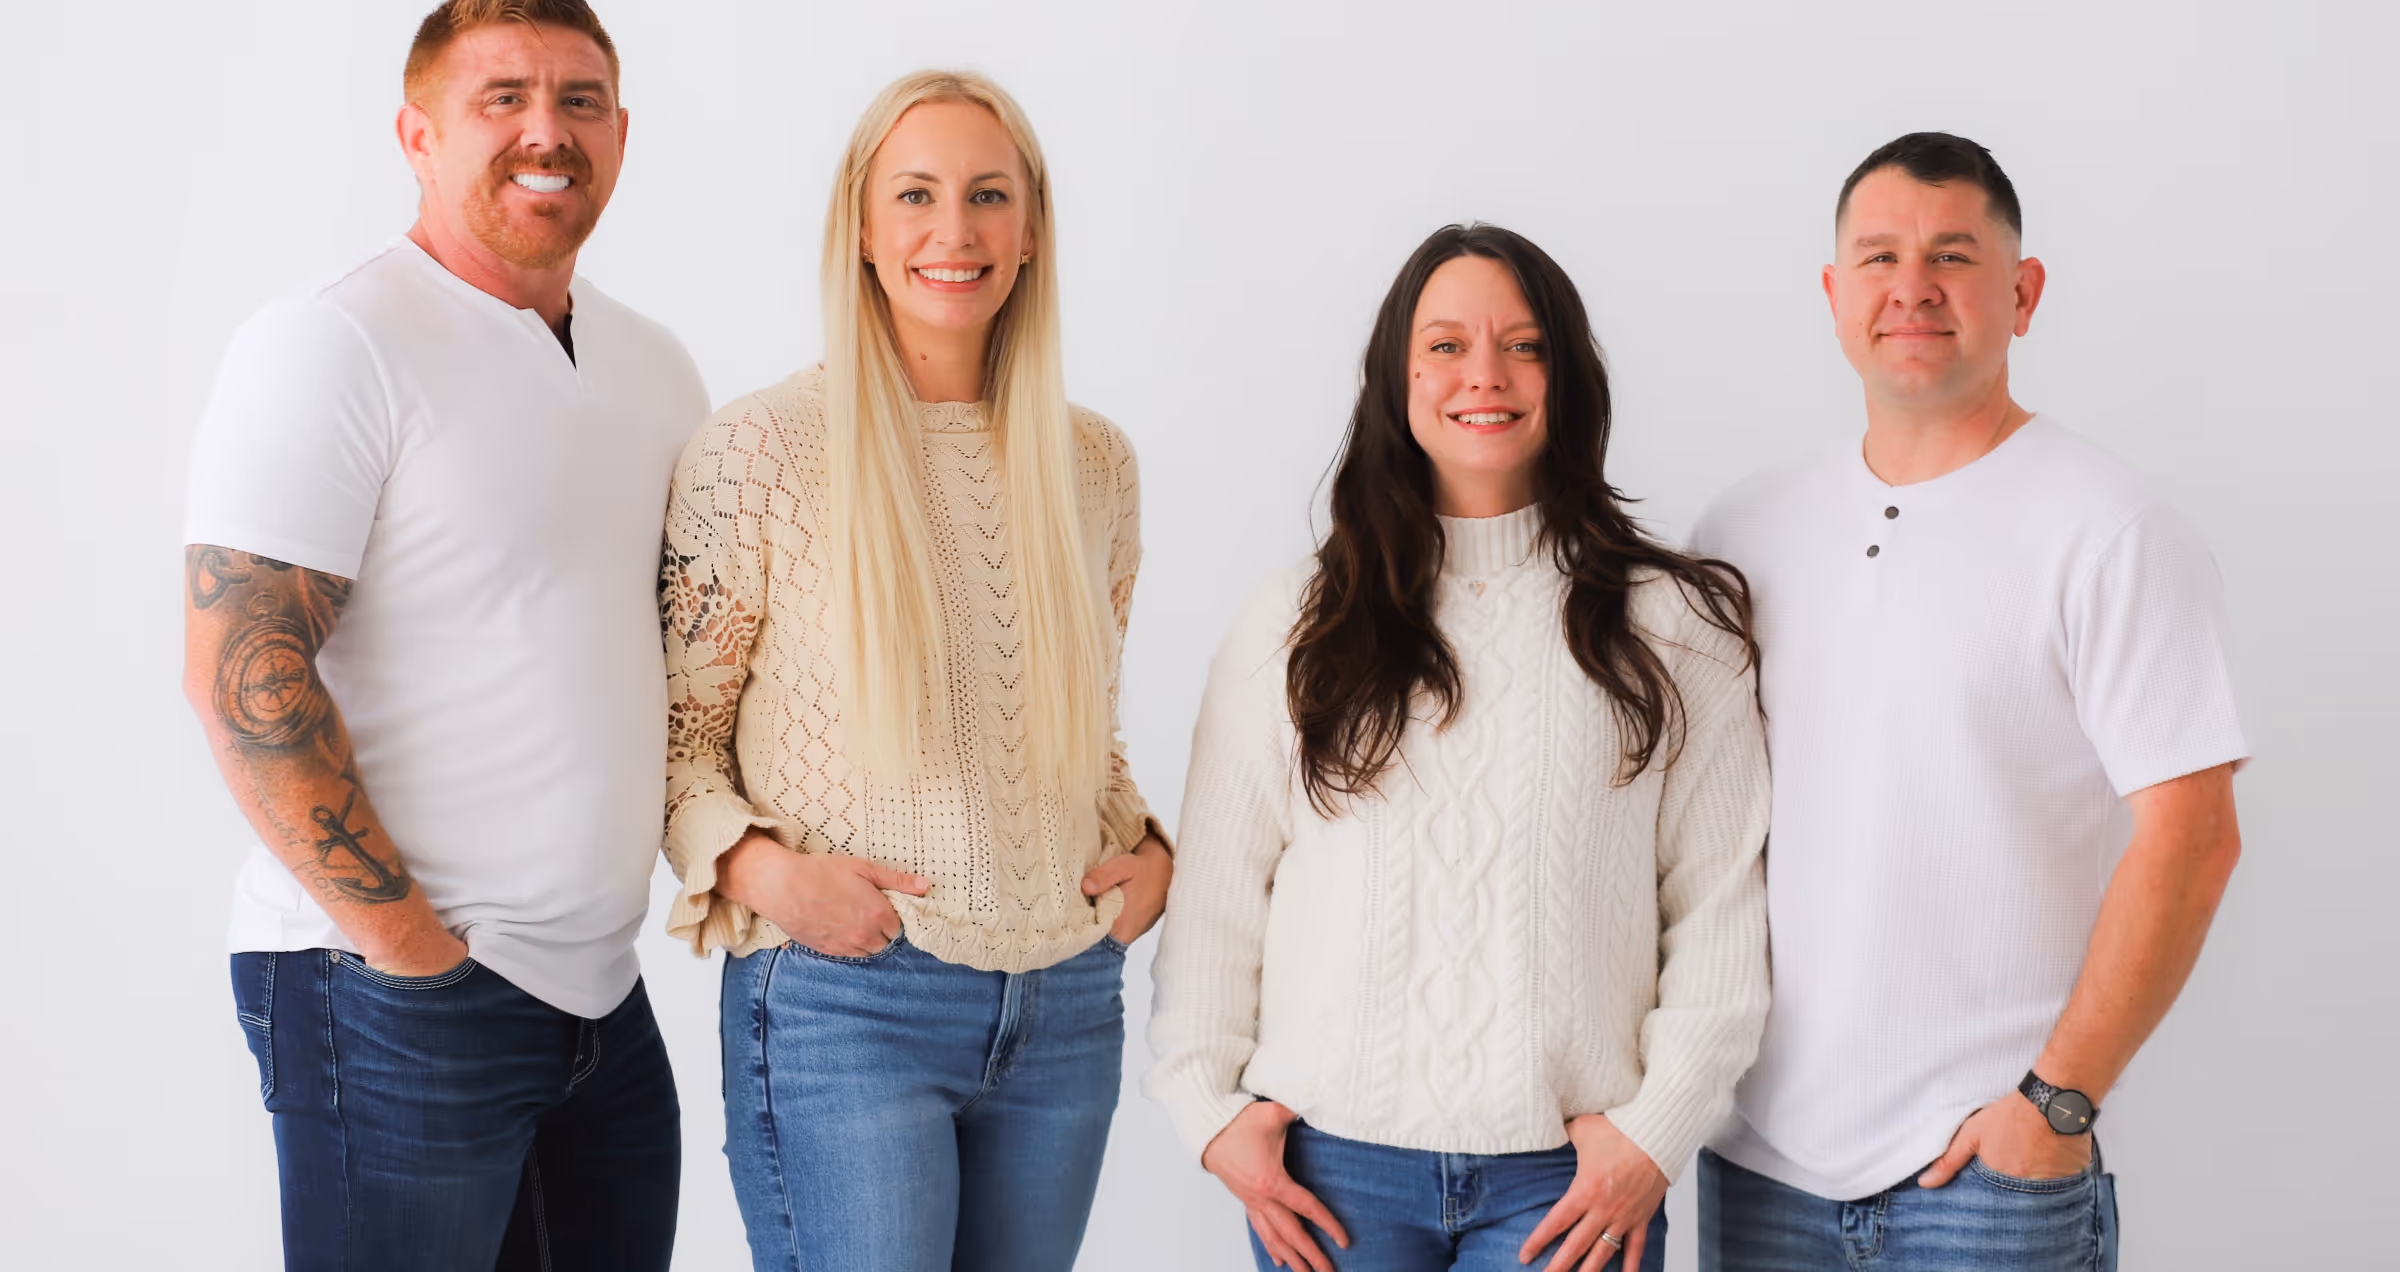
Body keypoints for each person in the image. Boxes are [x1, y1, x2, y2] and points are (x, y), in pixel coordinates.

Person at [184, 0, 709, 1270]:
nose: (548, 131)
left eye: (582, 101)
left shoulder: (656, 368)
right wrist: (407, 948)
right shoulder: (333, 342)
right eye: (503, 98)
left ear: (623, 134)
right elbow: (245, 666)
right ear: (417, 134)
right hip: (397, 988)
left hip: (601, 997)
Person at [1147, 224, 1772, 1272]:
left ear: (1566, 376)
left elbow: (1719, 908)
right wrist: (1207, 1109)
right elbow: (1220, 889)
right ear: (1397, 375)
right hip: (1334, 1176)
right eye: (1444, 344)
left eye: (1523, 345)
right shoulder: (1298, 621)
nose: (1483, 373)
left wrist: (1655, 1131)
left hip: (1570, 1184)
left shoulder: (1674, 623)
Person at [1691, 133, 2247, 1271]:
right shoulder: (1741, 532)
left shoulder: (2110, 528)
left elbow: (2192, 838)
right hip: (1759, 1166)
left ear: (2023, 293)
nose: (1913, 286)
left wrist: (2057, 1105)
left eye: (1953, 254)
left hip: (1989, 1174)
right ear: (1835, 294)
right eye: (1881, 256)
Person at [657, 69, 1171, 1272]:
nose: (956, 231)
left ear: (1032, 229)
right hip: (850, 1006)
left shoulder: (1094, 462)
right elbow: (678, 739)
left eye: (990, 195)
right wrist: (764, 872)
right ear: (865, 230)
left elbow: (1080, 729)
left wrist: (1148, 848)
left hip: (1064, 1010)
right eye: (919, 196)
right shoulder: (759, 449)